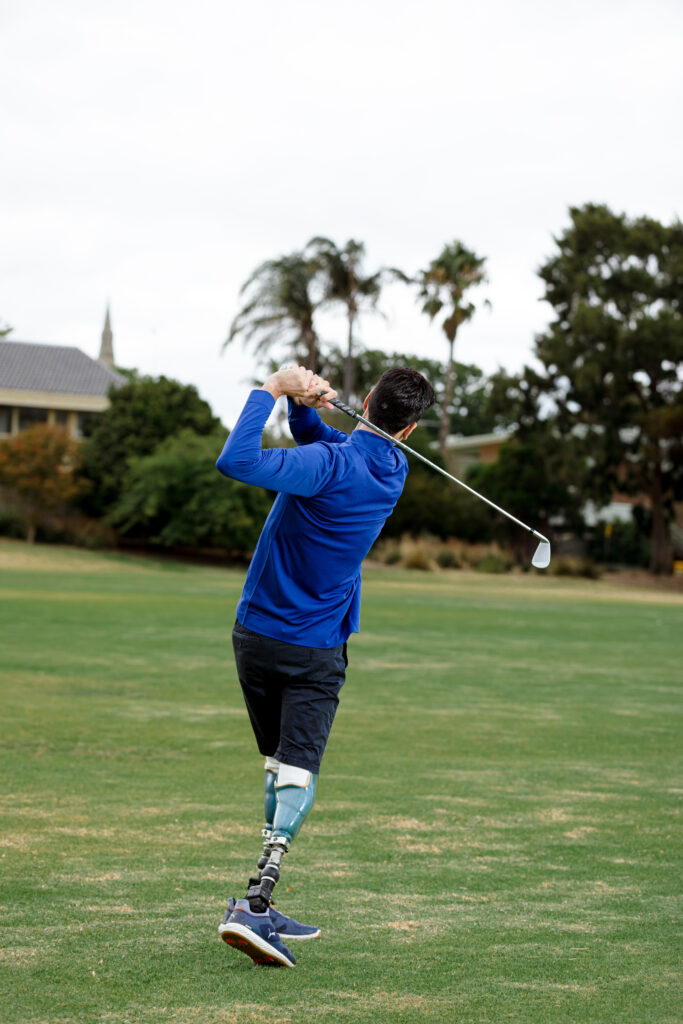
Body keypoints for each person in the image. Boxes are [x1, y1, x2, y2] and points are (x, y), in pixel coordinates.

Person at [215, 363, 435, 967]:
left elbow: (239, 462)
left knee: (278, 766)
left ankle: (260, 898)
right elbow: (326, 444)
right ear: (410, 430)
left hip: (254, 637)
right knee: (297, 773)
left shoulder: (329, 466)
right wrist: (307, 406)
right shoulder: (393, 469)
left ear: (365, 400)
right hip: (314, 649)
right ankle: (256, 906)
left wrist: (273, 392)